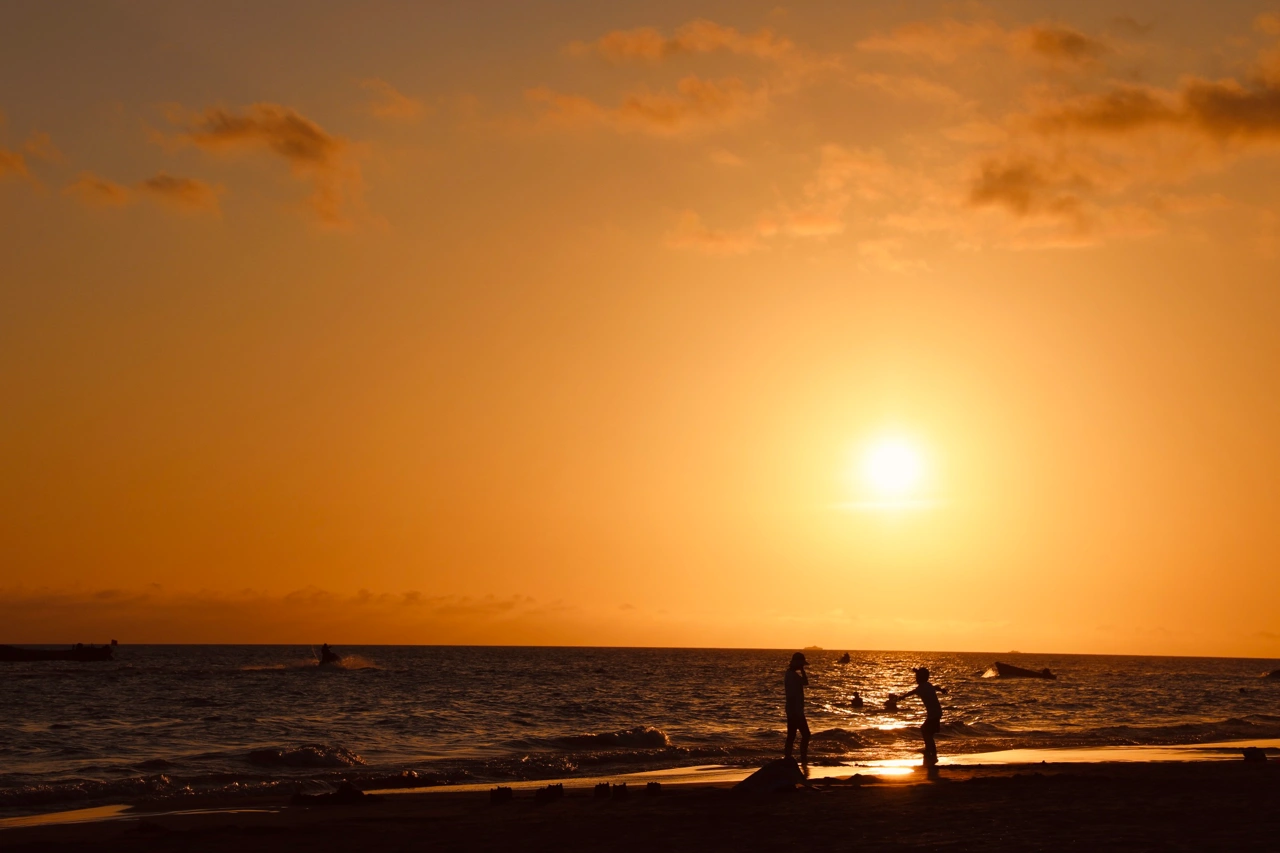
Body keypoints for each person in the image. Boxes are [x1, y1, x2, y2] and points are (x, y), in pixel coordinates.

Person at [896, 666, 948, 767]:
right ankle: (930, 752)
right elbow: (935, 687)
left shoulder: (922, 687)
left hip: (934, 714)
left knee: (926, 731)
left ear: (920, 678)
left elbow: (912, 692)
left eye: (917, 677)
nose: (916, 679)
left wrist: (902, 697)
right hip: (936, 712)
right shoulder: (928, 685)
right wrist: (941, 690)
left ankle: (932, 754)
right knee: (927, 732)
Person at [784, 652, 810, 764]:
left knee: (792, 736)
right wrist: (796, 711)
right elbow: (791, 696)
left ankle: (788, 758)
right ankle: (801, 758)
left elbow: (805, 682)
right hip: (795, 711)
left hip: (794, 710)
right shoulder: (792, 676)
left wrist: (802, 670)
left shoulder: (791, 674)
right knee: (805, 735)